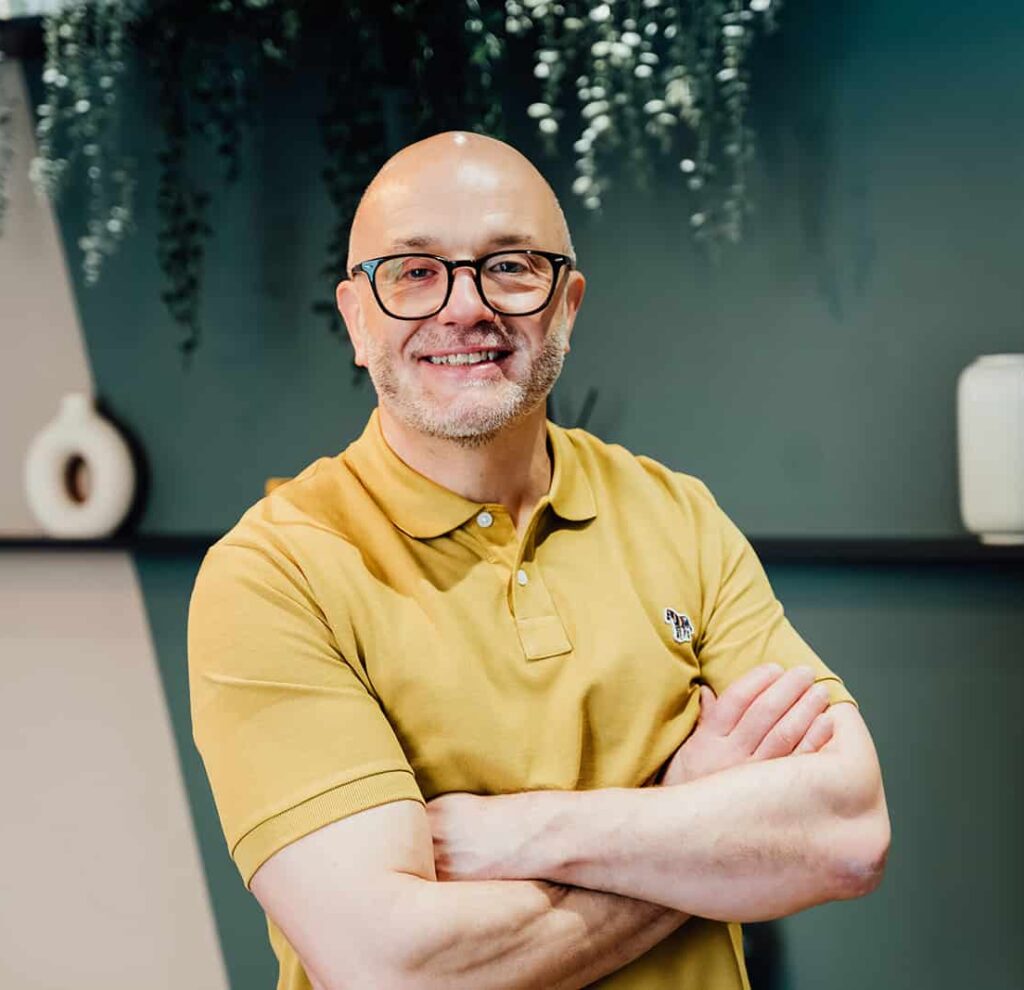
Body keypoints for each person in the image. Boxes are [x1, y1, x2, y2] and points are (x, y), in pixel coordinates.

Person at [187, 131, 890, 990]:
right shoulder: (273, 573)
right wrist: (691, 829)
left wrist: (525, 832)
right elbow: (396, 969)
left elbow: (849, 832)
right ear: (357, 320)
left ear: (567, 305)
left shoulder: (677, 515)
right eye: (413, 272)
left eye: (511, 265)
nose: (463, 307)